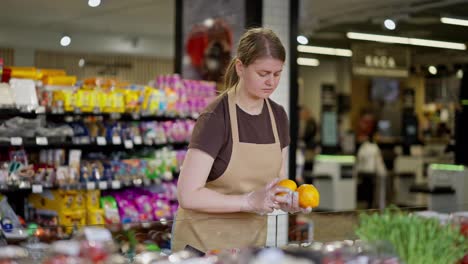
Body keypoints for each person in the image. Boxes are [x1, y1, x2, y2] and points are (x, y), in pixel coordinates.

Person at [172, 28, 311, 252]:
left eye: (277, 74)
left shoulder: (278, 116)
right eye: (263, 73)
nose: (271, 82)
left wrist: (289, 201)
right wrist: (248, 202)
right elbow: (187, 194)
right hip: (202, 247)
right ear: (240, 67)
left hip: (249, 248)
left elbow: (280, 180)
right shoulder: (216, 117)